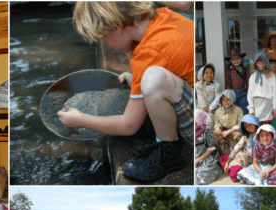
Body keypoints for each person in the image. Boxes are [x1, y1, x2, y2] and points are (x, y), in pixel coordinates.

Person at [57, 2, 194, 182]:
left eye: (102, 37)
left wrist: (80, 120)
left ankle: (168, 153)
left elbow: (128, 125)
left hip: (197, 129)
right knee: (149, 79)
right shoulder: (164, 16)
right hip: (194, 99)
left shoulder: (148, 54)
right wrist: (138, 80)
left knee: (152, 78)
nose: (104, 42)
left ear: (116, 28)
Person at [220, 114, 260, 182]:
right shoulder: (246, 136)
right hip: (244, 157)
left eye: (250, 123)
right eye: (246, 126)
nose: (249, 127)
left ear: (254, 122)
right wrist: (227, 162)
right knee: (234, 173)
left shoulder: (262, 134)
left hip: (258, 159)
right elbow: (237, 147)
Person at [247, 50, 276, 129]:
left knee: (267, 127)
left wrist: (274, 106)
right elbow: (250, 93)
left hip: (267, 104)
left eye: (262, 60)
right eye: (258, 60)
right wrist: (251, 108)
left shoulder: (271, 76)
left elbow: (275, 92)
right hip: (256, 104)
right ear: (255, 63)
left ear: (266, 61)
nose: (260, 62)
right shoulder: (253, 77)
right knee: (256, 127)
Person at [212, 90, 243, 155]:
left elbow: (240, 124)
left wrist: (228, 132)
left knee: (237, 135)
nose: (226, 102)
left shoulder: (238, 110)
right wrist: (217, 128)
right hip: (223, 130)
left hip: (234, 130)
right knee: (215, 133)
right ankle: (220, 153)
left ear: (232, 99)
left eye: (228, 99)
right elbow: (217, 122)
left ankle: (233, 154)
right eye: (223, 100)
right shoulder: (218, 111)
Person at [194, 110, 220, 185]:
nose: (195, 126)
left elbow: (212, 147)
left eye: (196, 123)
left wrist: (200, 158)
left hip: (205, 156)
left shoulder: (207, 129)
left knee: (202, 173)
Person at [224, 49, 250, 115]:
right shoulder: (229, 70)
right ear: (230, 60)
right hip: (233, 92)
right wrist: (227, 95)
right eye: (233, 59)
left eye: (237, 58)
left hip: (243, 92)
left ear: (241, 58)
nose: (236, 61)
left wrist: (249, 91)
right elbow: (227, 82)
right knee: (234, 112)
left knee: (244, 110)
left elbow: (247, 80)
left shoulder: (244, 68)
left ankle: (244, 124)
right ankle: (236, 125)